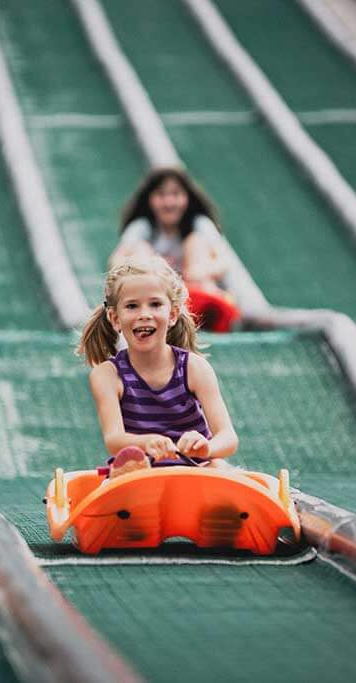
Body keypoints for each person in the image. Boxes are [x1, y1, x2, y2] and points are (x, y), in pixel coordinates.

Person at [77, 257, 238, 478]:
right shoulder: (108, 374)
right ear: (115, 318)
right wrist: (148, 442)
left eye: (155, 304)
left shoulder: (193, 368)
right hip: (140, 470)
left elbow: (228, 437)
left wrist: (206, 447)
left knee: (220, 469)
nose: (144, 314)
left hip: (195, 469)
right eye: (132, 306)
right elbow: (114, 439)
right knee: (120, 475)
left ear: (172, 314)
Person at [110, 167, 240, 332]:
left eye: (176, 195)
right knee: (141, 249)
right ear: (150, 199)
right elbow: (116, 260)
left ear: (187, 198)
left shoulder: (198, 224)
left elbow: (223, 260)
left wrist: (198, 273)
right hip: (158, 292)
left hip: (195, 291)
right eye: (161, 195)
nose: (169, 202)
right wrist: (157, 266)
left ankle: (203, 301)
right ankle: (150, 300)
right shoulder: (144, 227)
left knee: (196, 242)